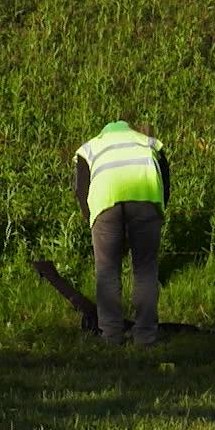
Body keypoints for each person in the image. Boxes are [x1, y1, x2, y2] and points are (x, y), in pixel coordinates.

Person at [73, 118, 169, 347]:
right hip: (146, 201)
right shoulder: (150, 144)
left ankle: (111, 336)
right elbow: (165, 182)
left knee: (107, 271)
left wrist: (93, 220)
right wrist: (159, 211)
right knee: (145, 270)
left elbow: (81, 190)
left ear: (104, 132)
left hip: (105, 204)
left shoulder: (90, 148)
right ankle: (145, 335)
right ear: (130, 130)